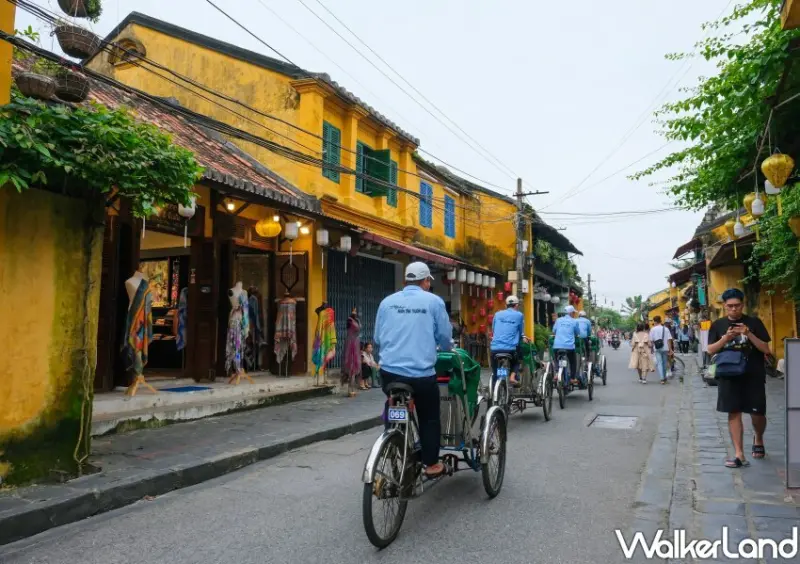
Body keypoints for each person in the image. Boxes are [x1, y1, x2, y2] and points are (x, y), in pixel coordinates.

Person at [375, 261, 452, 478]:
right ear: (426, 281)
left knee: (392, 398)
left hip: (388, 374)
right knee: (428, 417)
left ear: (405, 280)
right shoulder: (434, 302)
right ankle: (431, 464)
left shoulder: (387, 302)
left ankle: (392, 437)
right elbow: (445, 339)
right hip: (421, 376)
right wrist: (444, 347)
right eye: (429, 281)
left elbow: (377, 339)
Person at [707, 288, 771, 469]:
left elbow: (766, 349)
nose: (733, 309)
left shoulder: (754, 322)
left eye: (737, 306)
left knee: (757, 413)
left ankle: (758, 437)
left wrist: (748, 333)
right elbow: (710, 349)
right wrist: (726, 338)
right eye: (729, 306)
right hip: (728, 375)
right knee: (733, 412)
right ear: (724, 307)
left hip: (753, 375)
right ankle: (739, 454)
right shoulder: (718, 325)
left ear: (742, 305)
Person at [490, 295, 528, 387]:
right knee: (517, 360)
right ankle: (512, 376)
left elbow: (493, 330)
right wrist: (523, 337)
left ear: (506, 305)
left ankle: (495, 388)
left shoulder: (497, 314)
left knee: (495, 371)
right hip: (510, 349)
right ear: (516, 305)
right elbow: (520, 332)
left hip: (495, 349)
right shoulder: (519, 315)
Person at [552, 305, 581, 385]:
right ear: (571, 313)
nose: (574, 314)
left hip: (557, 346)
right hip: (569, 347)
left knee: (556, 359)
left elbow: (554, 331)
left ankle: (557, 373)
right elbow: (577, 333)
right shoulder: (574, 321)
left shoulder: (558, 320)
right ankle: (572, 378)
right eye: (573, 313)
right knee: (572, 362)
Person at [343, 307, 362, 395]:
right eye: (353, 311)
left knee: (356, 364)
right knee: (350, 363)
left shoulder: (357, 320)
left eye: (355, 311)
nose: (355, 312)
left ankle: (353, 387)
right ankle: (349, 389)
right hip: (350, 342)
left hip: (356, 342)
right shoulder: (349, 320)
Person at [649, 316, 673, 384]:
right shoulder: (666, 329)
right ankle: (664, 377)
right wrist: (670, 349)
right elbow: (669, 340)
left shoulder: (653, 329)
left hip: (657, 348)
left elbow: (651, 340)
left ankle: (662, 378)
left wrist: (652, 348)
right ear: (660, 321)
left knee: (659, 363)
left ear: (655, 321)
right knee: (665, 363)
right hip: (665, 348)